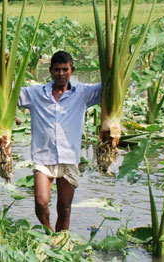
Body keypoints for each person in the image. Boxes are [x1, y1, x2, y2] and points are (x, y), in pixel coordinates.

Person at [18, 51, 101, 232]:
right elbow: (10, 92)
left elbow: (109, 88)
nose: (61, 74)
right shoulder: (36, 93)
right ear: (50, 71)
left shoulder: (82, 93)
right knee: (41, 202)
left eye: (65, 69)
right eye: (57, 70)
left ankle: (60, 243)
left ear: (72, 70)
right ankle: (49, 231)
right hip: (43, 157)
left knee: (64, 207)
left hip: (69, 158)